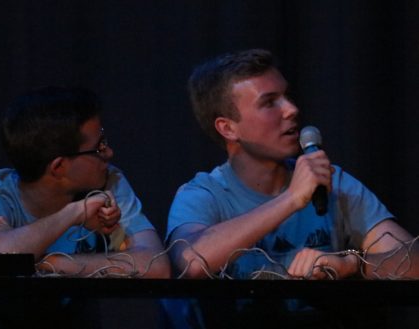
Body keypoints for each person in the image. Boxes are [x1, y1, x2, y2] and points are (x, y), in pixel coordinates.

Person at [163, 49, 418, 328]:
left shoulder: (333, 182)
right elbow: (192, 263)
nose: (292, 109)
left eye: (286, 96)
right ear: (228, 128)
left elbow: (413, 262)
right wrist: (291, 199)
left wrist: (353, 264)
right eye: (270, 102)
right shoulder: (202, 194)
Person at [0, 86, 170, 329]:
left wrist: (52, 264)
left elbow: (156, 265)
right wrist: (74, 213)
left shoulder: (109, 182)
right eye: (99, 147)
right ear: (58, 167)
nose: (109, 153)